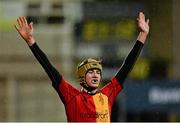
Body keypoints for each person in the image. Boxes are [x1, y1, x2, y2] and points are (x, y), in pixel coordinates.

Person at [14, 12, 149, 122]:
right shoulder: (71, 96)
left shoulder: (107, 94)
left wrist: (142, 35)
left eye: (98, 72)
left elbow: (127, 66)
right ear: (82, 77)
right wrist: (31, 41)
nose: (96, 75)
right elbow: (49, 68)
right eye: (91, 72)